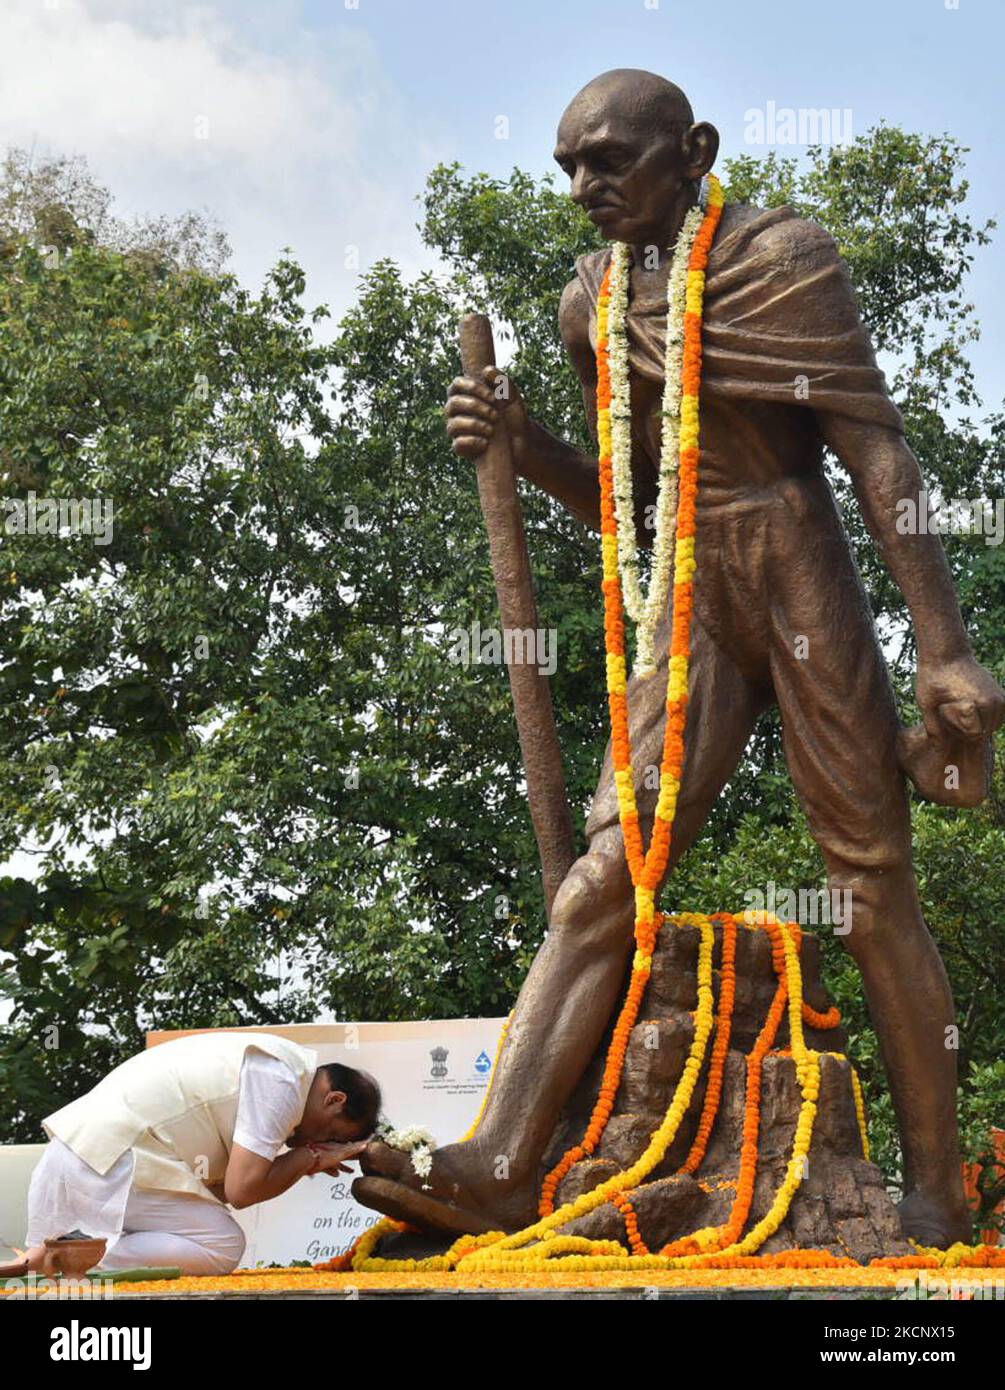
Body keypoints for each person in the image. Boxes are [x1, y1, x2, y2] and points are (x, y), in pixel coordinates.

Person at [354, 68, 1005, 1247]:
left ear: (692, 148)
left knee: (868, 889)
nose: (586, 187)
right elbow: (631, 497)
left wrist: (945, 646)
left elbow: (881, 463)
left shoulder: (785, 258)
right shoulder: (589, 304)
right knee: (606, 874)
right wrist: (520, 440)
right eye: (569, 167)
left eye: (610, 159)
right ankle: (500, 1160)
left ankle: (935, 1185)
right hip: (683, 590)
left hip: (795, 556)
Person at [21, 1031, 380, 1275]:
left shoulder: (280, 1066)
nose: (318, 1142)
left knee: (212, 1229)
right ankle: (70, 1257)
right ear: (334, 1099)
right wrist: (309, 1159)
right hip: (109, 1161)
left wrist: (303, 1161)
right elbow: (243, 1192)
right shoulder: (283, 1081)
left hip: (89, 1157)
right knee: (223, 1243)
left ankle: (70, 1250)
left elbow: (219, 1194)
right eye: (331, 1134)